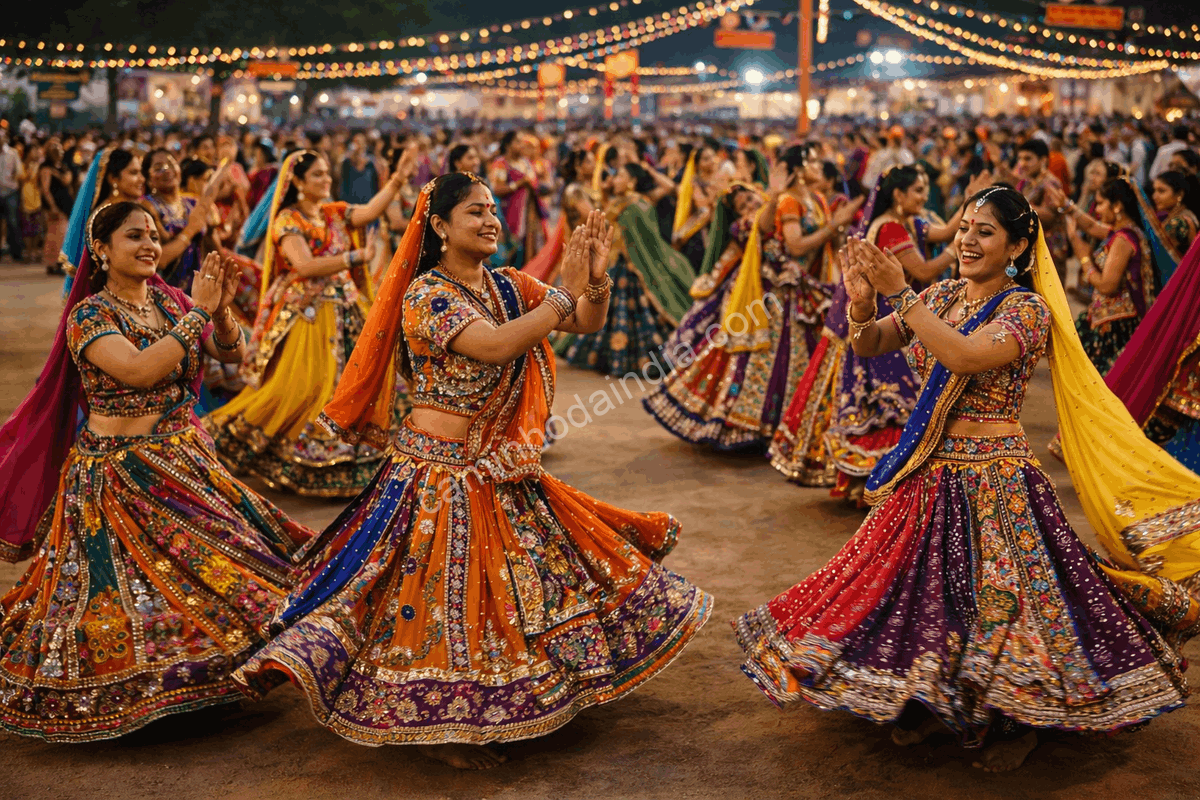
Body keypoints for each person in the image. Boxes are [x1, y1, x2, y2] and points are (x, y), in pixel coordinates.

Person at [231, 176, 712, 769]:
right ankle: (444, 724)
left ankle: (493, 702)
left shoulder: (509, 284)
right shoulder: (426, 296)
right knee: (439, 604)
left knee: (509, 594)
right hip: (437, 474)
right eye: (474, 212)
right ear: (438, 226)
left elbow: (582, 321)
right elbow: (494, 346)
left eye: (492, 210)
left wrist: (593, 279)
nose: (490, 221)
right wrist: (562, 293)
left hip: (496, 466)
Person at [735, 185, 1198, 773]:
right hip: (930, 475)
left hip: (997, 481)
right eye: (963, 229)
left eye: (984, 232)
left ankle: (1015, 717)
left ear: (1018, 244)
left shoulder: (1025, 310)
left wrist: (901, 294)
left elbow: (965, 357)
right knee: (927, 597)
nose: (967, 241)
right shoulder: (945, 293)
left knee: (1007, 607)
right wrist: (859, 305)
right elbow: (875, 342)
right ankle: (934, 700)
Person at [0, 201, 313, 741]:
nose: (149, 244)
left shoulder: (171, 303)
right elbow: (139, 371)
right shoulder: (90, 316)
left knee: (237, 569)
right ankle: (140, 695)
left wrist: (217, 312)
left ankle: (205, 683)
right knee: (122, 596)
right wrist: (197, 312)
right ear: (100, 249)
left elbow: (231, 356)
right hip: (118, 476)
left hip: (182, 460)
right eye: (134, 236)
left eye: (154, 234)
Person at [204, 150, 407, 497]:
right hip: (309, 315)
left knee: (357, 383)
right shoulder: (288, 220)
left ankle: (350, 455)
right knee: (303, 391)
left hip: (346, 309)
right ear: (297, 182)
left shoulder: (334, 214)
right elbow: (305, 266)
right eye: (317, 175)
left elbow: (372, 210)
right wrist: (357, 257)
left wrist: (399, 178)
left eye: (328, 173)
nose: (326, 180)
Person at [643, 146, 862, 450]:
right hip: (767, 300)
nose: (750, 201)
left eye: (750, 195)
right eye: (743, 201)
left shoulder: (808, 201)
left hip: (798, 293)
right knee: (762, 363)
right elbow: (779, 235)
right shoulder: (752, 219)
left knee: (793, 361)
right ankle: (754, 426)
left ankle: (789, 424)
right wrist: (779, 200)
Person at [771, 165, 965, 501]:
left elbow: (943, 231)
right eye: (917, 191)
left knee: (895, 401)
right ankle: (875, 480)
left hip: (896, 315)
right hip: (884, 317)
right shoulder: (889, 227)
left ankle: (875, 481)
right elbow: (924, 269)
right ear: (898, 196)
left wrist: (968, 207)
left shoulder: (909, 222)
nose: (923, 196)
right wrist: (959, 247)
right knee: (883, 400)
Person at [554, 161, 696, 376]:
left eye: (619, 175)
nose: (614, 180)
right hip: (619, 265)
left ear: (632, 181)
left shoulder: (633, 206)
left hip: (631, 268)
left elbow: (642, 241)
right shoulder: (625, 202)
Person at [1054, 177, 1158, 374]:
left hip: (1117, 327)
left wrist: (1084, 258)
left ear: (1117, 205)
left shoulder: (1123, 239)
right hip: (1106, 317)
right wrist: (1068, 207)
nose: (1097, 210)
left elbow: (1107, 286)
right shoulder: (1124, 231)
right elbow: (1092, 227)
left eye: (1100, 203)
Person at [141, 148, 224, 290]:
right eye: (158, 168)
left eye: (171, 164)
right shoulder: (146, 208)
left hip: (195, 289)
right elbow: (158, 261)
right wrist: (190, 230)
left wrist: (210, 231)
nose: (167, 170)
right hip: (162, 291)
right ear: (149, 180)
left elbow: (215, 253)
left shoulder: (192, 203)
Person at [490, 132, 549, 269]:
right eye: (517, 142)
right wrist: (519, 183)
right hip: (509, 214)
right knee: (512, 255)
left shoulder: (525, 162)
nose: (522, 145)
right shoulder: (501, 164)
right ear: (508, 145)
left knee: (531, 249)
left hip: (530, 214)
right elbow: (497, 189)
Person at [1149, 170, 1200, 267]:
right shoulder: (1182, 214)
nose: (1154, 196)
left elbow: (1156, 256)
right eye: (1154, 190)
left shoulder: (1178, 222)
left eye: (1161, 191)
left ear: (1179, 194)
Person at [0, 130, 23, 263]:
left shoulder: (12, 153)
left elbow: (19, 171)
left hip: (10, 192)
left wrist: (13, 180)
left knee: (13, 222)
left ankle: (16, 252)